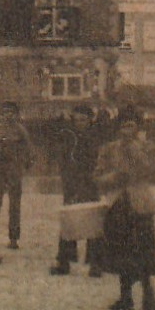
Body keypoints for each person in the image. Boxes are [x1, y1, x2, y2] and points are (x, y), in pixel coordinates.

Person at [94, 107, 155, 310]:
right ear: (118, 128)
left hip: (140, 204)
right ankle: (125, 296)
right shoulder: (108, 149)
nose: (127, 129)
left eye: (132, 125)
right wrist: (114, 177)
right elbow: (98, 176)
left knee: (144, 250)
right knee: (121, 251)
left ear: (138, 128)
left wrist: (135, 151)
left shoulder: (148, 147)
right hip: (118, 203)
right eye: (124, 125)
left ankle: (148, 296)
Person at [50, 103, 104, 276]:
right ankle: (64, 261)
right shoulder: (68, 136)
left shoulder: (95, 137)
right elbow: (63, 158)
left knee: (93, 222)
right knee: (69, 221)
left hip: (90, 183)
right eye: (77, 119)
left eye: (84, 119)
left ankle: (95, 263)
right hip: (71, 183)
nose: (80, 122)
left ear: (90, 120)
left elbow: (99, 161)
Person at [0, 101, 33, 250]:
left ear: (16, 114)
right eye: (5, 112)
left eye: (11, 112)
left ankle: (13, 238)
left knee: (14, 205)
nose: (8, 115)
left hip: (14, 169)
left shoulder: (21, 130)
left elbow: (28, 149)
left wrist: (26, 163)